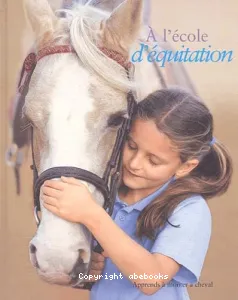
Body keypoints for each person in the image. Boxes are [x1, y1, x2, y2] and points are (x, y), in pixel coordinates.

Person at [41, 88, 233, 299]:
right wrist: (87, 274)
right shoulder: (108, 193)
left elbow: (151, 280)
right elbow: (104, 278)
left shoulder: (190, 210)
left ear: (184, 167)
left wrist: (92, 215)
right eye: (131, 146)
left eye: (153, 161)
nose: (134, 164)